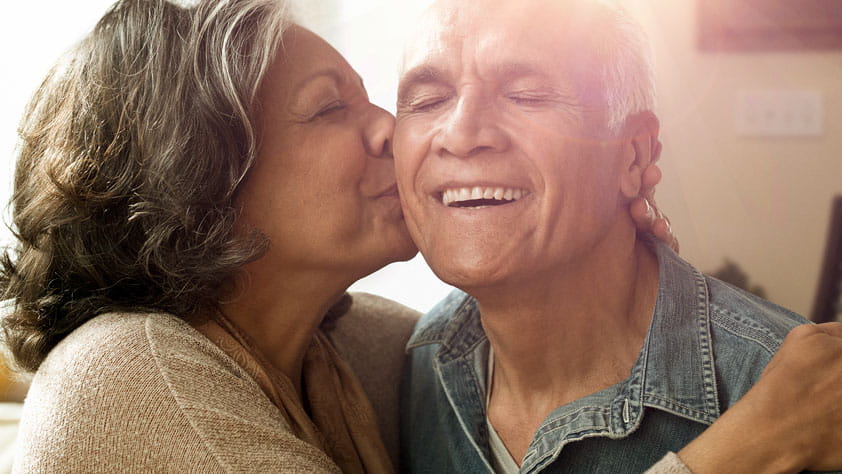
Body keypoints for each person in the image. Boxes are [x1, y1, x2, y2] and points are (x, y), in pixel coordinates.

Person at [0, 0, 674, 471]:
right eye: (330, 108)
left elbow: (536, 338)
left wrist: (599, 251)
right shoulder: (128, 373)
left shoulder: (357, 348)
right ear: (201, 182)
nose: (392, 129)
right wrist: (743, 452)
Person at [395, 0, 842, 472]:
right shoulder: (410, 362)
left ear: (632, 155)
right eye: (427, 101)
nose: (460, 133)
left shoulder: (801, 396)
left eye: (525, 94)